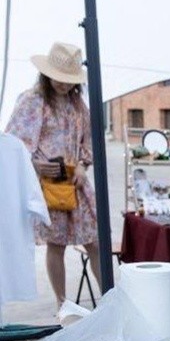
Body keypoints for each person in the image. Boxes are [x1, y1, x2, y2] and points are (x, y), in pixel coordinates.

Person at [6, 41, 101, 309]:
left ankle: (109, 297)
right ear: (47, 74)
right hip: (49, 185)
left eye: (68, 80)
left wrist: (83, 164)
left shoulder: (77, 103)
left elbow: (89, 140)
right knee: (56, 245)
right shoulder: (32, 100)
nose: (62, 84)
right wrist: (35, 164)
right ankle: (62, 304)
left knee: (94, 241)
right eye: (58, 78)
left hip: (75, 182)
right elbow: (13, 144)